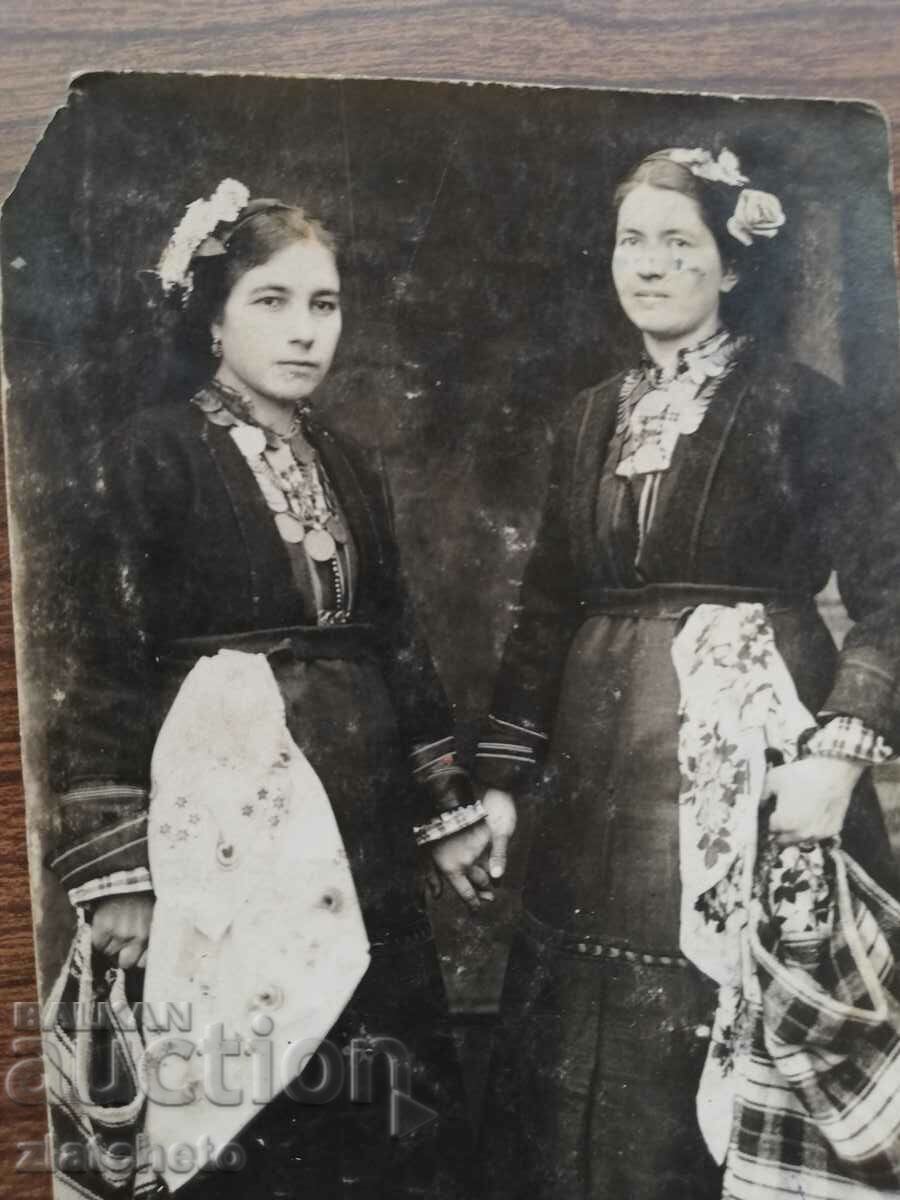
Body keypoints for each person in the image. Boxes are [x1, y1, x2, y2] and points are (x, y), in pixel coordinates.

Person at [45, 181, 491, 1198]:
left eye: (323, 305)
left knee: (378, 1091)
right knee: (260, 1095)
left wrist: (446, 806)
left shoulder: (346, 461)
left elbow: (397, 642)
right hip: (227, 823)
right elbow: (101, 661)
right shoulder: (150, 454)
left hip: (361, 816)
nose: (304, 333)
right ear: (211, 316)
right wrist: (118, 863)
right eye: (271, 302)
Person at [475, 147, 900, 1199]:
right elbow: (544, 606)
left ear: (732, 265)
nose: (650, 267)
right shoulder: (586, 421)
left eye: (679, 244)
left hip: (753, 761)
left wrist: (841, 754)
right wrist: (497, 779)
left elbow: (894, 590)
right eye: (633, 242)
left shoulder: (805, 408)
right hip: (593, 774)